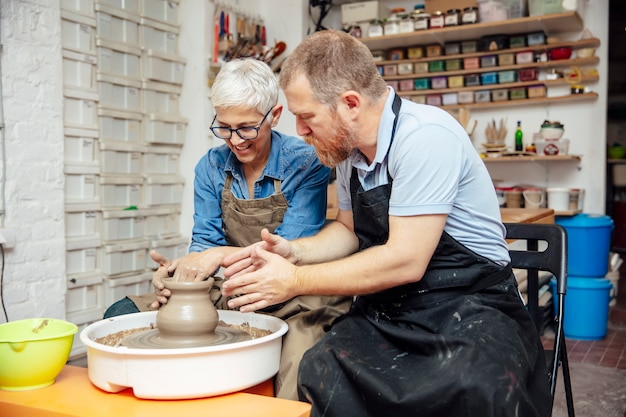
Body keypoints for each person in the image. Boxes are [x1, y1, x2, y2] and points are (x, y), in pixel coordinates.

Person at [221, 30, 552, 417]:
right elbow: (347, 230)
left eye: (306, 117)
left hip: (472, 305)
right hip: (394, 308)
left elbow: (406, 260)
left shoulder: (425, 137)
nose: (300, 131)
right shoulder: (347, 151)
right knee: (321, 365)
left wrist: (293, 281)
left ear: (350, 104)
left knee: (473, 384)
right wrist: (295, 252)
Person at [102, 58, 352, 401]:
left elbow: (291, 251)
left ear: (275, 115)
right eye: (224, 126)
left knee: (297, 372)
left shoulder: (307, 161)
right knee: (120, 317)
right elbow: (204, 242)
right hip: (231, 286)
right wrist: (177, 276)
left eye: (247, 127)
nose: (235, 140)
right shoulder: (211, 166)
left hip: (294, 292)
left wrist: (215, 256)